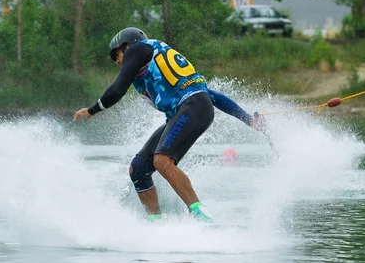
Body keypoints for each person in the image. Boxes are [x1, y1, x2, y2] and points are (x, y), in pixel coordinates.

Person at [73, 27, 264, 223]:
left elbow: (117, 90)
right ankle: (156, 223)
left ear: (128, 46)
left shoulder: (138, 50)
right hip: (192, 108)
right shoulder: (153, 60)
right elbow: (213, 96)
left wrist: (92, 110)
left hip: (193, 107)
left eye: (117, 54)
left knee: (162, 160)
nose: (117, 61)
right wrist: (248, 119)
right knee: (138, 168)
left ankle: (203, 217)